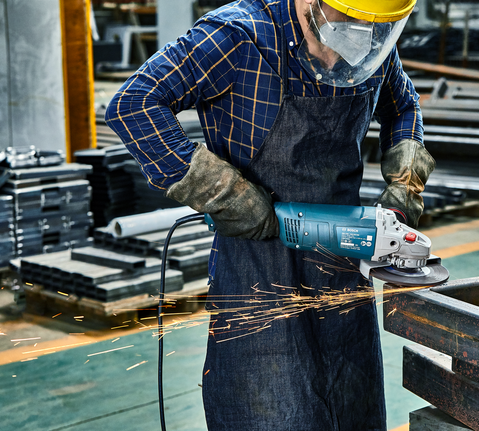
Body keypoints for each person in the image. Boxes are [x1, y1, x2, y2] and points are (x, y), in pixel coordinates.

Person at [105, 0, 435, 429]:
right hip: (256, 271)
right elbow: (134, 105)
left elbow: (404, 105)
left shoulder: (370, 42)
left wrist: (404, 185)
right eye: (349, 21)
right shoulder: (237, 37)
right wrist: (226, 193)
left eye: (373, 27)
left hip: (341, 264)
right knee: (270, 410)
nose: (357, 38)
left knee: (352, 410)